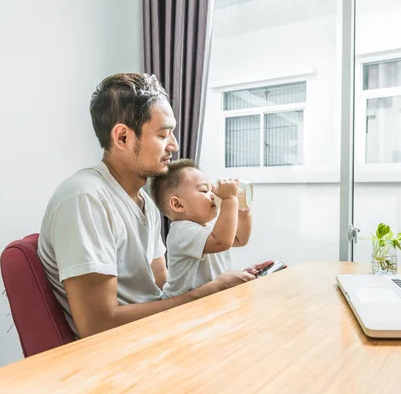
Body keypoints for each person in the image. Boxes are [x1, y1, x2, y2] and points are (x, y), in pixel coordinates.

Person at [37, 73, 272, 338]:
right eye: (163, 135)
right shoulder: (85, 198)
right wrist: (205, 294)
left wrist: (219, 282)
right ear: (123, 137)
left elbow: (163, 286)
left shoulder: (145, 203)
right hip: (122, 354)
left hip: (158, 334)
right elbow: (98, 326)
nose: (174, 145)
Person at [150, 159, 253, 297]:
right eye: (204, 190)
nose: (213, 195)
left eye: (212, 190)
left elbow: (240, 239)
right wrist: (229, 199)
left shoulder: (210, 226)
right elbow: (221, 242)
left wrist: (243, 212)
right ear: (178, 205)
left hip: (209, 299)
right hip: (179, 308)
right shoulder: (181, 231)